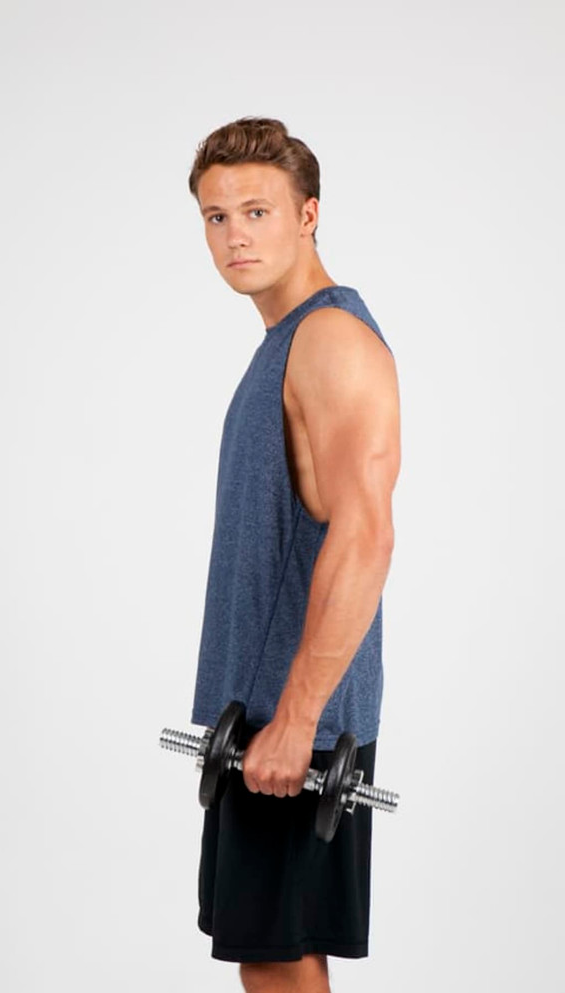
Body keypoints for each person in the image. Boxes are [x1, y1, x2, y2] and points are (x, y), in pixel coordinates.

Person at [186, 117, 401, 993]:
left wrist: (300, 718)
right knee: (266, 954)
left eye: (258, 210)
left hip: (292, 725)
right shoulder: (283, 344)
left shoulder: (332, 342)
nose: (235, 234)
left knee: (278, 958)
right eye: (215, 216)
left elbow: (367, 533)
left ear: (308, 214)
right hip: (266, 718)